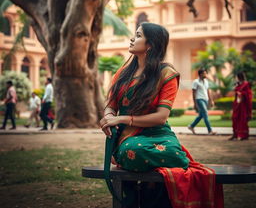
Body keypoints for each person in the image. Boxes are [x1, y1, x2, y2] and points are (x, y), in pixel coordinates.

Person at [100, 23, 223, 208]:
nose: (132, 38)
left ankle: (152, 195)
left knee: (176, 156)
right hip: (127, 136)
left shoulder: (167, 74)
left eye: (138, 35)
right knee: (136, 152)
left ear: (150, 44)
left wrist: (121, 118)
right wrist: (109, 118)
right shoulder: (123, 73)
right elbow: (110, 106)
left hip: (159, 134)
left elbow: (161, 117)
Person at [187, 68, 216, 135]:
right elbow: (193, 93)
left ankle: (191, 126)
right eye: (204, 73)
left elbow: (208, 91)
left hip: (206, 99)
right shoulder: (195, 82)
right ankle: (210, 130)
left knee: (201, 115)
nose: (205, 74)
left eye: (206, 73)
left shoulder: (206, 81)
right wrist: (195, 103)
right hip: (199, 99)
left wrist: (211, 100)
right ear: (200, 74)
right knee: (205, 113)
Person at [229, 72, 253, 141]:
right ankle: (235, 134)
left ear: (239, 77)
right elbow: (235, 92)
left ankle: (243, 135)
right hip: (237, 105)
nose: (236, 79)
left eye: (236, 77)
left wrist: (241, 93)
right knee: (234, 118)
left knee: (242, 120)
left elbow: (249, 94)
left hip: (243, 105)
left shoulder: (246, 84)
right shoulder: (238, 84)